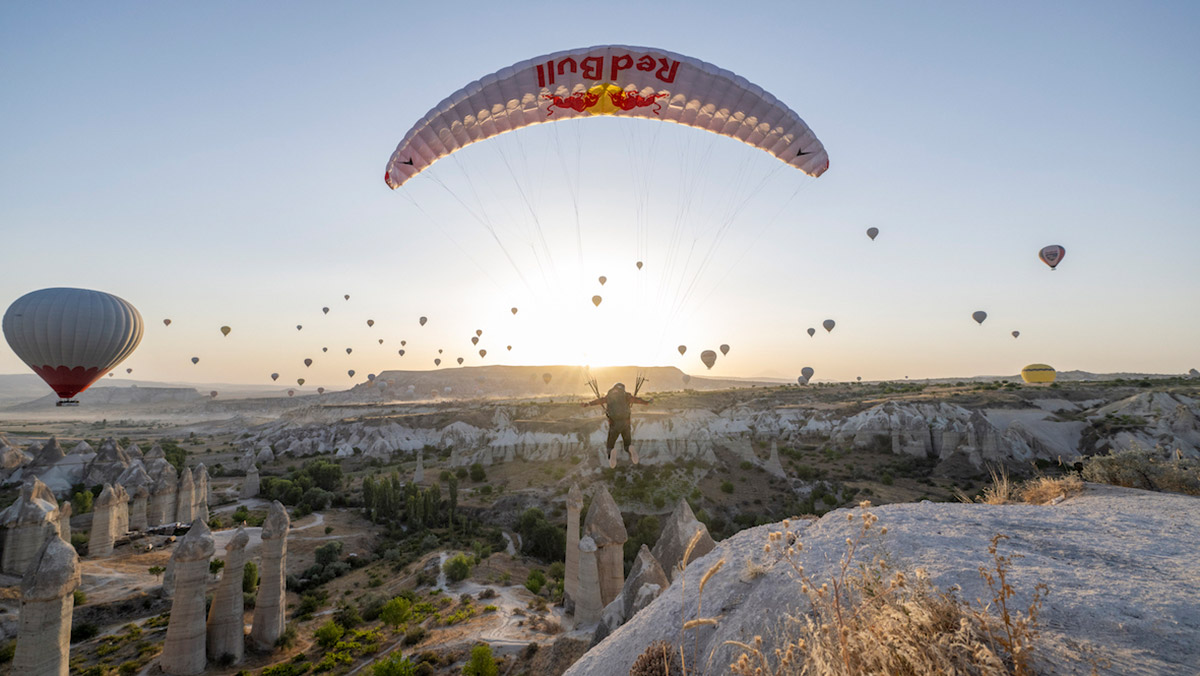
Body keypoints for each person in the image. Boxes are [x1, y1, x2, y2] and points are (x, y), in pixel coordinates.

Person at [582, 382, 650, 468]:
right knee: (627, 445)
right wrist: (646, 402)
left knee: (610, 446)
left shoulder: (609, 396)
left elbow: (600, 401)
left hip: (614, 425)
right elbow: (636, 400)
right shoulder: (626, 396)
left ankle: (612, 452)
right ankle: (630, 448)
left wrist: (588, 404)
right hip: (625, 424)